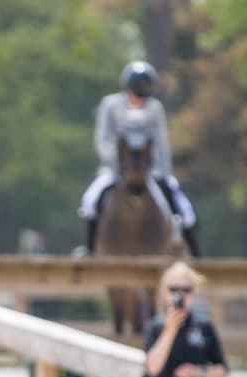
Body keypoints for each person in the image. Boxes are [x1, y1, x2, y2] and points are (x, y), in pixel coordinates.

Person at [79, 61, 200, 257]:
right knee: (90, 201)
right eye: (138, 87)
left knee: (183, 207)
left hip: (149, 171)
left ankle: (193, 252)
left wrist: (164, 173)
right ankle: (90, 249)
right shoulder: (111, 105)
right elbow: (102, 140)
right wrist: (118, 164)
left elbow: (161, 143)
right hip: (116, 170)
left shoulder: (154, 109)